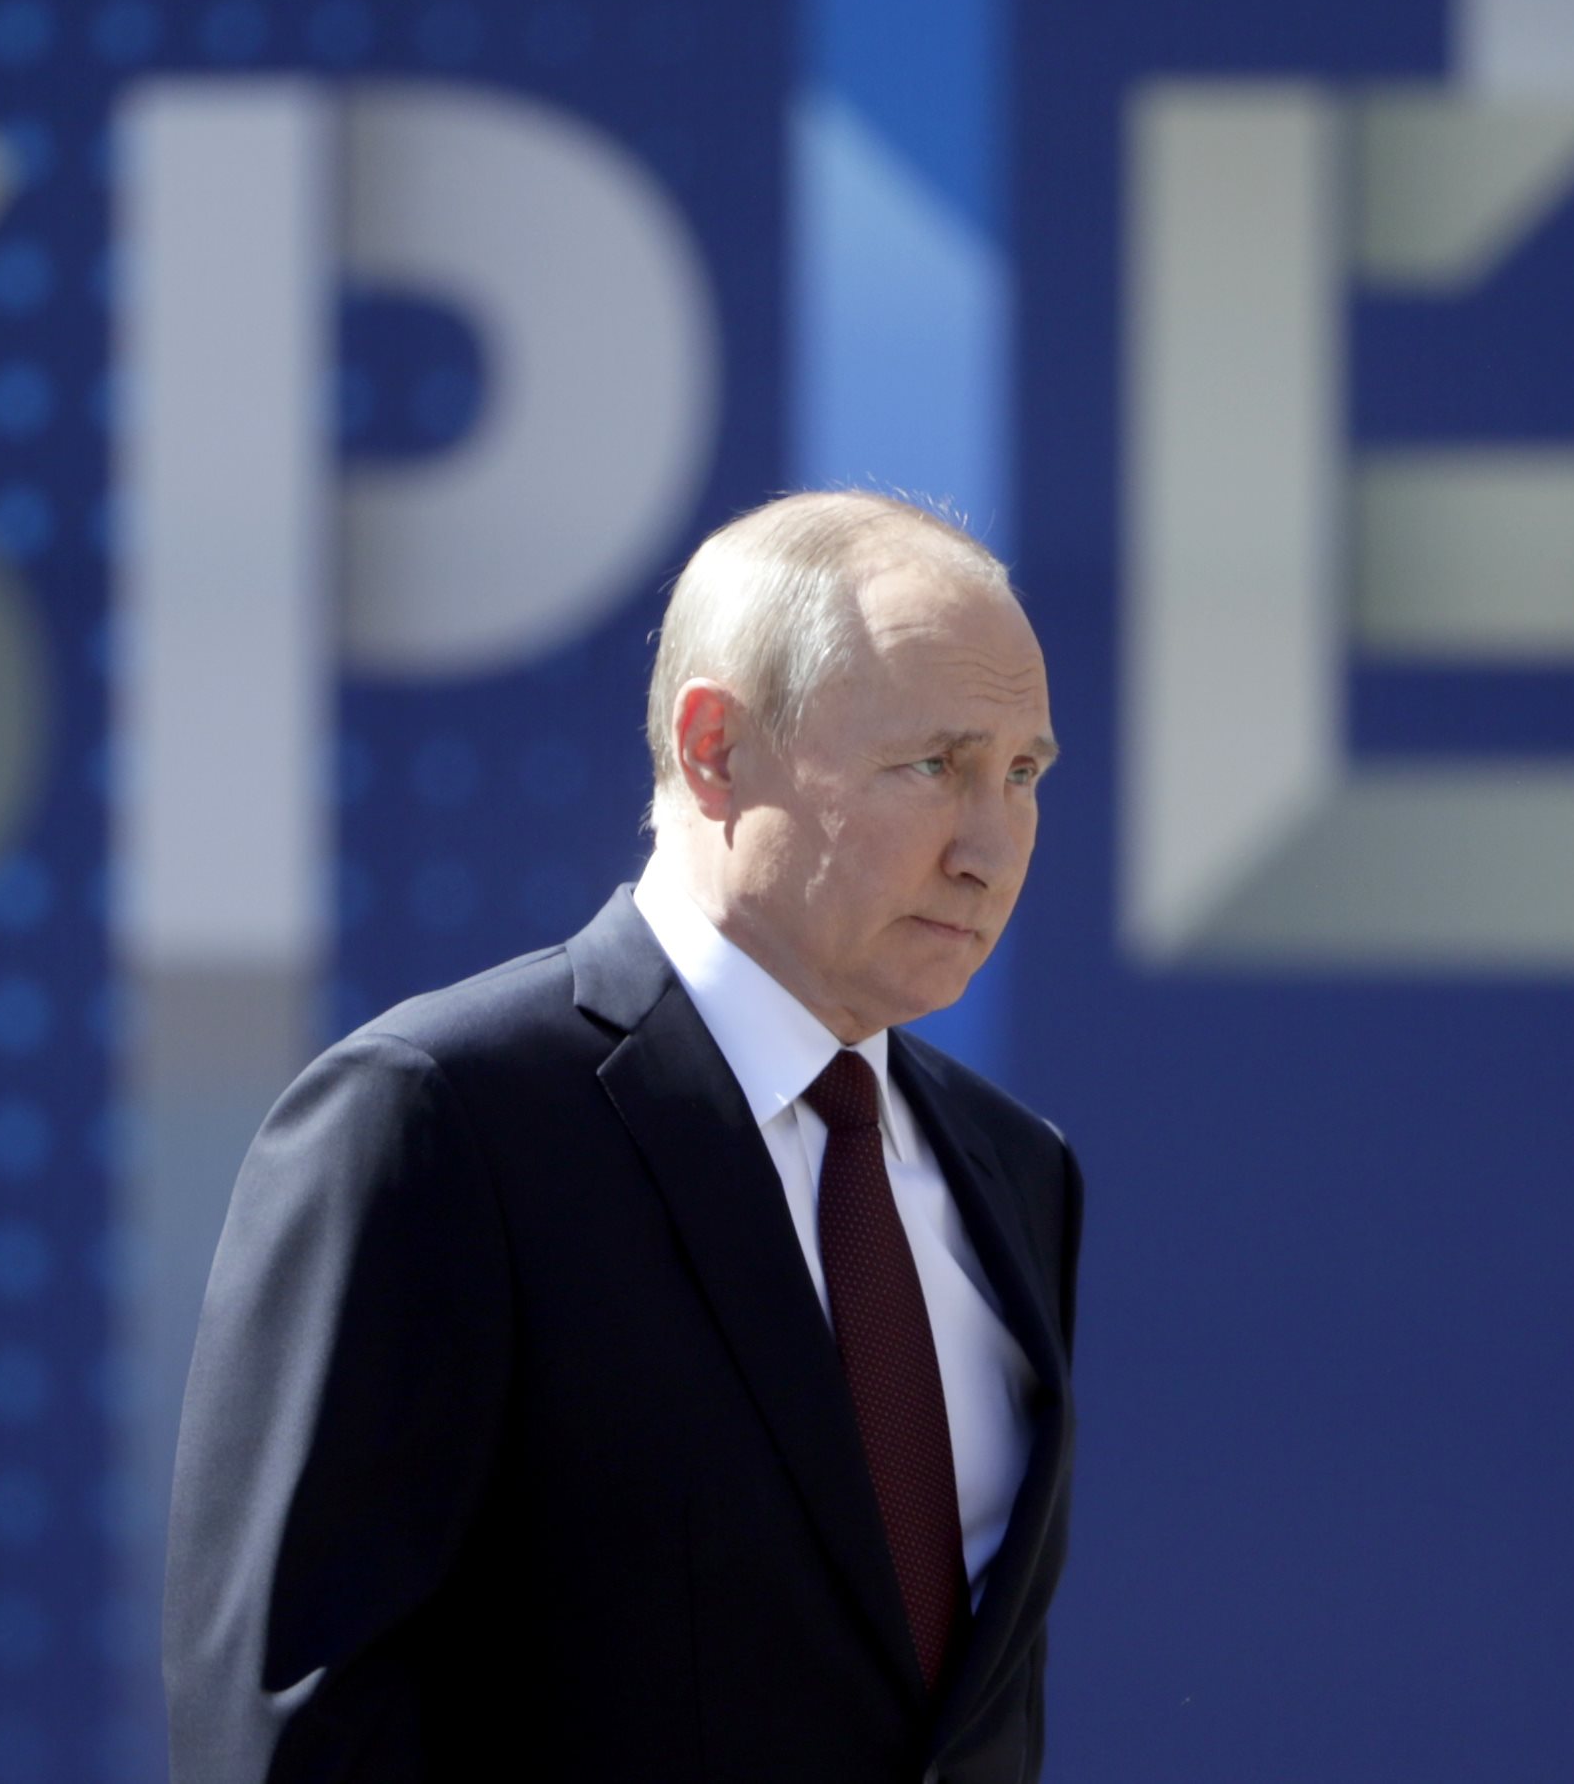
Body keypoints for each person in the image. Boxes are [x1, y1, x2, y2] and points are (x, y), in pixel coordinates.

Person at [164, 491, 1082, 1783]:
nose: (990, 849)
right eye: (934, 765)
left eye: (1023, 775)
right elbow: (294, 1729)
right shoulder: (438, 1120)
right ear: (715, 750)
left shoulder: (1016, 1171)